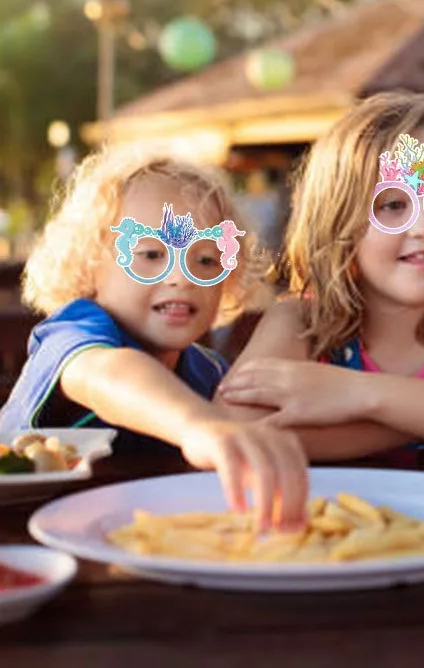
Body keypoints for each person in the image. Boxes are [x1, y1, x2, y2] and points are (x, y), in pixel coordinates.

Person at [215, 90, 424, 460]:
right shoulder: (302, 323)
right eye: (392, 204)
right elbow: (238, 426)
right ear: (336, 222)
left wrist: (358, 394)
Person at [0, 144, 307, 530]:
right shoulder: (75, 332)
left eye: (206, 260)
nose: (181, 276)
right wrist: (200, 423)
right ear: (89, 266)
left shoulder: (208, 372)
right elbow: (104, 375)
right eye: (150, 254)